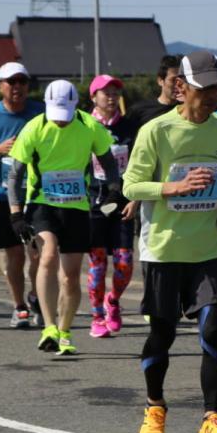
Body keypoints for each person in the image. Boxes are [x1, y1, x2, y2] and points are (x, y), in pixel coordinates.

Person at [124, 51, 217, 433]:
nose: (211, 95)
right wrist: (171, 188)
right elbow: (131, 186)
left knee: (213, 329)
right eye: (203, 87)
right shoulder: (156, 131)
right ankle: (155, 407)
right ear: (181, 87)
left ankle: (212, 418)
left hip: (207, 249)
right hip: (162, 248)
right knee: (162, 335)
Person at [8, 80, 120, 355]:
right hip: (42, 203)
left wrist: (114, 192)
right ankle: (48, 327)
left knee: (71, 276)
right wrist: (16, 216)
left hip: (77, 206)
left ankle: (65, 330)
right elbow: (15, 175)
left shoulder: (90, 126)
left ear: (75, 106)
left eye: (65, 116)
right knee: (47, 255)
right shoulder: (34, 127)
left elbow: (108, 161)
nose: (60, 122)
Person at [0, 62, 44, 327]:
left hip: (36, 195)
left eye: (22, 82)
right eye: (11, 82)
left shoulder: (41, 112)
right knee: (15, 255)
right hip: (3, 196)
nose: (17, 87)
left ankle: (37, 296)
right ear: (0, 86)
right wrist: (1, 148)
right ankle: (19, 306)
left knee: (40, 254)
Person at [85, 74, 139, 338]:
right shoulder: (83, 126)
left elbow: (142, 166)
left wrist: (135, 199)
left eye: (115, 92)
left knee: (125, 263)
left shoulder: (130, 128)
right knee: (97, 264)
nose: (111, 97)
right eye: (105, 92)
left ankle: (113, 300)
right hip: (93, 203)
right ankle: (96, 315)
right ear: (93, 96)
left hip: (122, 204)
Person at [127, 55, 182, 128]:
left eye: (182, 80)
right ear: (160, 81)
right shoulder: (139, 111)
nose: (178, 85)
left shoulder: (188, 109)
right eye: (173, 80)